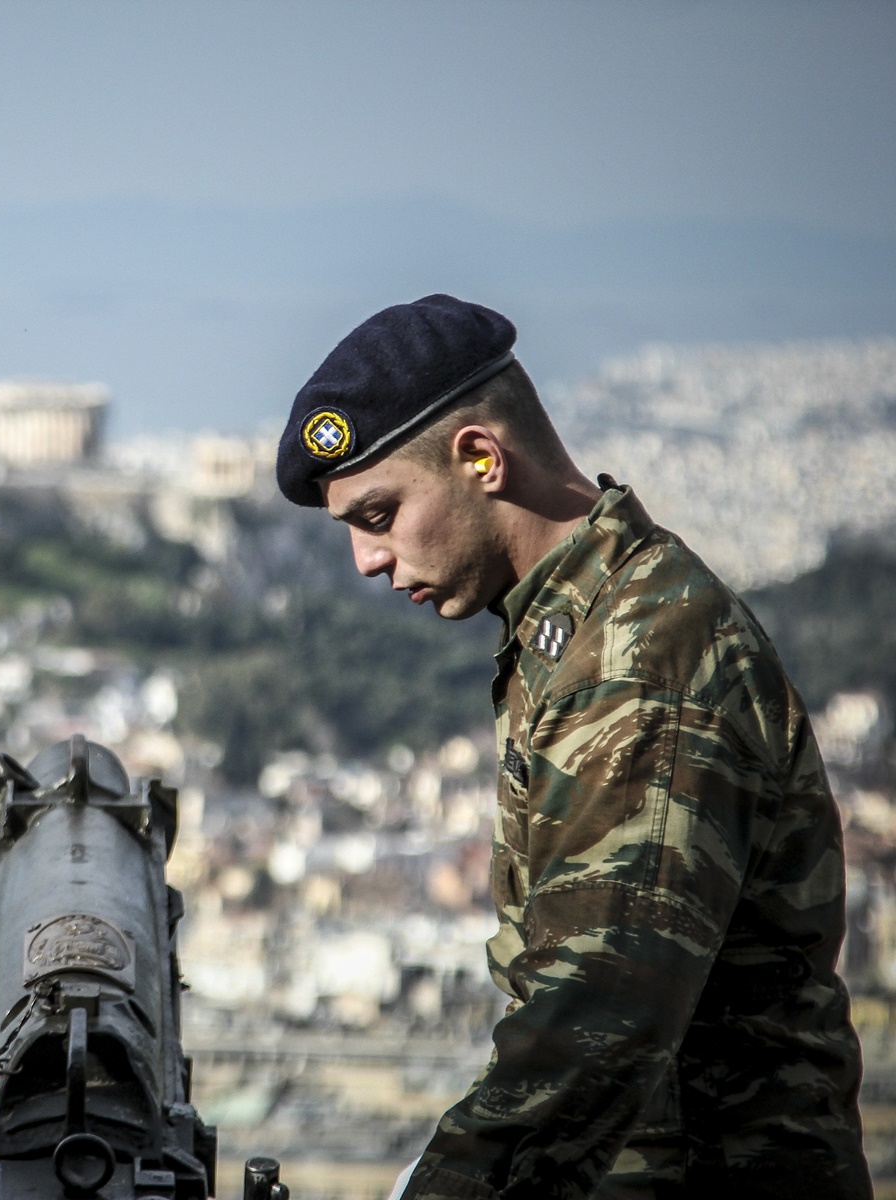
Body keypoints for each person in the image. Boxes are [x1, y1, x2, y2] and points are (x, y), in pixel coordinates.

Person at [276, 295, 870, 1198]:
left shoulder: (642, 657)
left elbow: (598, 1017)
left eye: (380, 513)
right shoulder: (581, 633)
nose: (367, 560)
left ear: (481, 457)